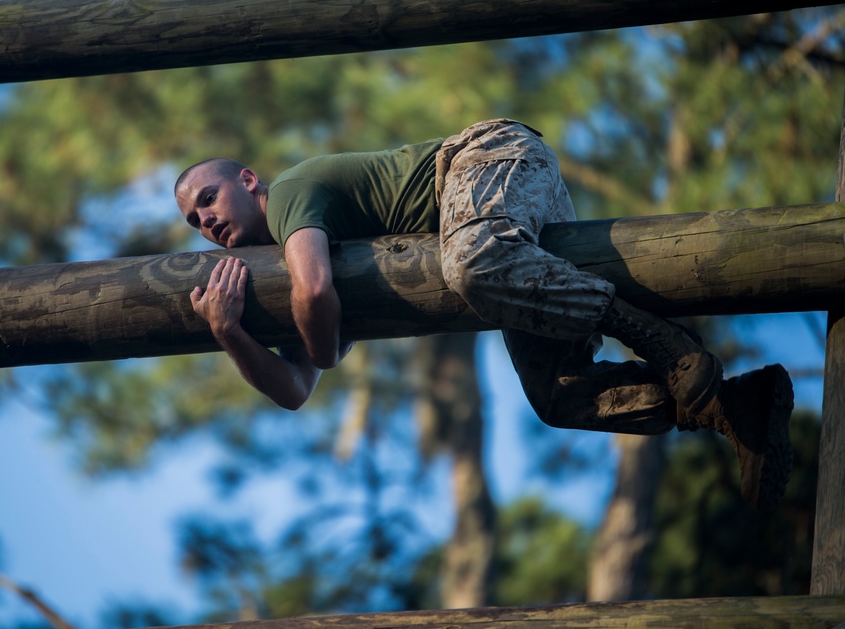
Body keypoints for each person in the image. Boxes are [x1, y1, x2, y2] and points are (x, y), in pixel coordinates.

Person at [174, 119, 794, 513]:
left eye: (209, 198)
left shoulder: (287, 195)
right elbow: (294, 389)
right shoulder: (265, 269)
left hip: (487, 158)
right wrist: (229, 332)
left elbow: (313, 293)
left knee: (470, 262)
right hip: (499, 224)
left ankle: (666, 345)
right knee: (559, 397)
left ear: (248, 181)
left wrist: (328, 347)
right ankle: (732, 406)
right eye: (193, 222)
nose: (205, 221)